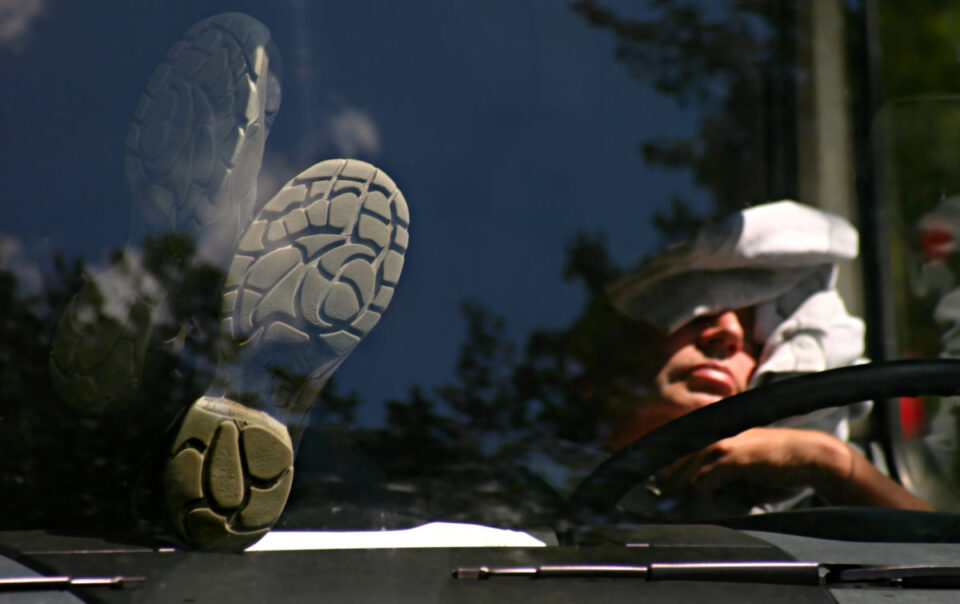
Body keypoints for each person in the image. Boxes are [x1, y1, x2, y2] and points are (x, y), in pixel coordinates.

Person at [595, 200, 931, 513]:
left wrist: (829, 462)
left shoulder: (804, 515)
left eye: (755, 335)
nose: (730, 335)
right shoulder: (547, 486)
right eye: (697, 313)